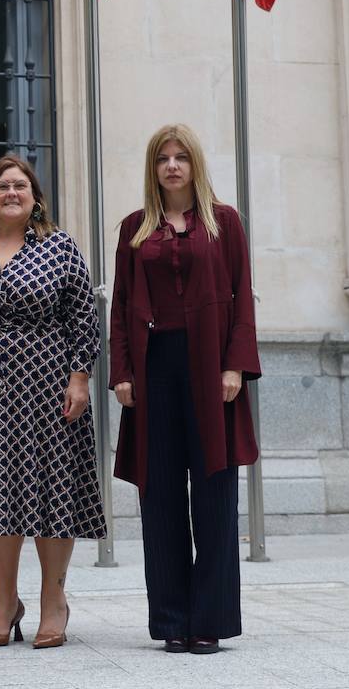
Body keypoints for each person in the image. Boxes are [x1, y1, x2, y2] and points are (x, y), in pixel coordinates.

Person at [0, 156, 106, 651]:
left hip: (49, 389)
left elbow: (83, 318)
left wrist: (80, 378)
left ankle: (54, 602)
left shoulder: (60, 247)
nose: (12, 192)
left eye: (21, 186)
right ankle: (4, 605)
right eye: (2, 186)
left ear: (35, 197)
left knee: (53, 491)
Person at [109, 123, 261, 656]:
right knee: (162, 495)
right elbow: (122, 306)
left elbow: (243, 297)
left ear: (195, 165)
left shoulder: (225, 223)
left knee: (215, 494)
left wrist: (235, 367)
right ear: (153, 169)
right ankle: (173, 620)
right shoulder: (134, 228)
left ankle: (210, 621)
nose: (172, 166)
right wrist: (122, 373)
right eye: (162, 159)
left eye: (181, 158)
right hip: (155, 372)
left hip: (211, 368)